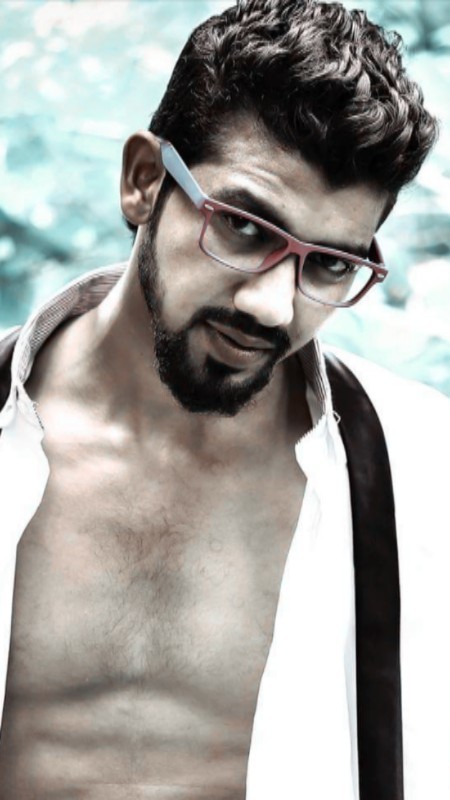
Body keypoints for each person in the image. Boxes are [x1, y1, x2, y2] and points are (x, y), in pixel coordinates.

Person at [0, 0, 449, 797]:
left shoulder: (425, 475)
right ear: (144, 182)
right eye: (244, 228)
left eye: (329, 265)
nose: (272, 306)